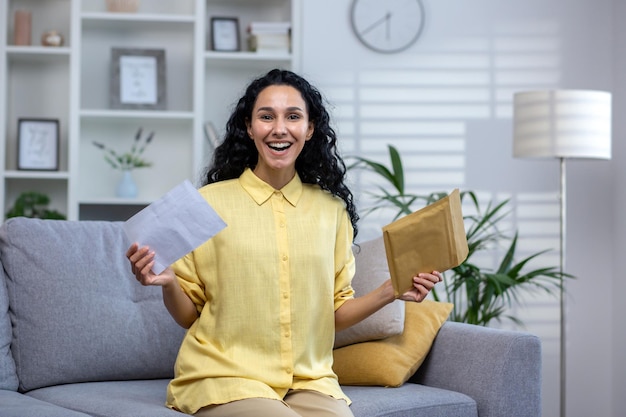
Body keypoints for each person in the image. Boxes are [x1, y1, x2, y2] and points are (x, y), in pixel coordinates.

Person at [126, 69, 442, 417]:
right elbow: (188, 316)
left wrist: (391, 290)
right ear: (249, 127)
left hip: (310, 382)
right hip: (226, 378)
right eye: (266, 116)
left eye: (293, 116)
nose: (279, 128)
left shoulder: (331, 211)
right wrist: (168, 282)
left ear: (309, 129)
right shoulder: (208, 204)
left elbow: (333, 314)